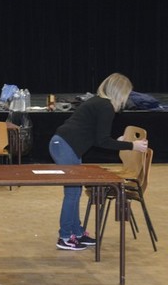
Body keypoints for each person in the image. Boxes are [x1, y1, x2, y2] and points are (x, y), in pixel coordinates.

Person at [49, 73, 148, 251]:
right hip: (65, 146)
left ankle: (77, 233)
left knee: (75, 191)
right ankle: (65, 237)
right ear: (120, 92)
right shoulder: (106, 107)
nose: (127, 98)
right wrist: (132, 145)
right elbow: (102, 141)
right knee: (72, 193)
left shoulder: (98, 102)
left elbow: (96, 137)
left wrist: (119, 141)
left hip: (66, 145)